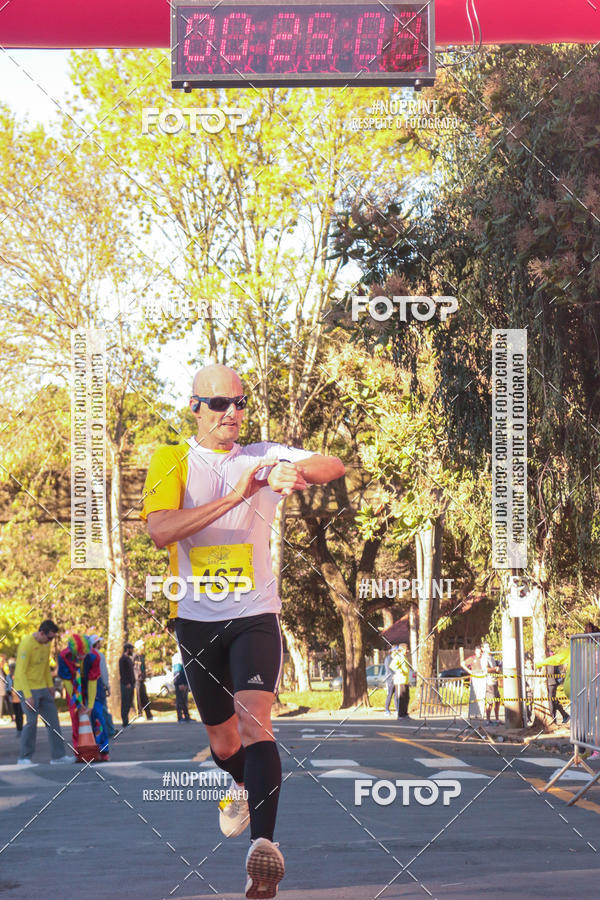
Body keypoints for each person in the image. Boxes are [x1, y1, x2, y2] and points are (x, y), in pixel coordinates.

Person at [142, 363, 345, 899]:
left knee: (257, 727)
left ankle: (264, 853)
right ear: (195, 408)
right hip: (195, 620)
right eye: (219, 404)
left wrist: (292, 471)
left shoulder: (264, 455)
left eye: (240, 403)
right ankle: (236, 783)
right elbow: (161, 530)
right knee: (223, 740)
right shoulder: (173, 460)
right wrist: (237, 495)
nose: (232, 413)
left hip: (255, 615)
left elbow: (333, 464)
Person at [13, 619, 74, 765]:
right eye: (49, 637)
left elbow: (46, 666)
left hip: (42, 687)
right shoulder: (27, 644)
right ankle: (24, 757)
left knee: (53, 720)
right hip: (26, 687)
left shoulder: (46, 645)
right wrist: (27, 696)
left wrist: (50, 685)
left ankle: (58, 757)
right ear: (41, 633)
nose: (50, 641)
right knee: (31, 722)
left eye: (53, 638)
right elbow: (20, 673)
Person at [58, 634, 110, 762]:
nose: (82, 657)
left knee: (98, 714)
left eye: (85, 654)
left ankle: (103, 751)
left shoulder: (94, 656)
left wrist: (90, 705)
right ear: (73, 652)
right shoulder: (64, 657)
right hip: (73, 684)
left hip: (93, 684)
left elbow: (93, 682)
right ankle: (79, 752)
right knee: (76, 716)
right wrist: (77, 703)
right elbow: (67, 681)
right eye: (79, 655)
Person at [89, 635, 116, 737]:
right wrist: (107, 685)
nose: (100, 644)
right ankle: (110, 730)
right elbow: (103, 671)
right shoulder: (99, 655)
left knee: (93, 708)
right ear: (96, 643)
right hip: (98, 684)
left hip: (89, 684)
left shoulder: (87, 655)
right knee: (103, 708)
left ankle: (95, 730)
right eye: (99, 642)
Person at [536, 648, 570, 724]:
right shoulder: (549, 661)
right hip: (550, 683)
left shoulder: (549, 662)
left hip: (551, 683)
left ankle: (554, 718)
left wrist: (558, 681)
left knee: (551, 701)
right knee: (553, 700)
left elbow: (558, 673)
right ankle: (563, 715)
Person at [463, 645, 487, 721]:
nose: (479, 653)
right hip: (474, 677)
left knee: (481, 696)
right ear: (475, 651)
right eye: (477, 651)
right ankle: (471, 714)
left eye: (480, 652)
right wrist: (469, 671)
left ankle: (480, 714)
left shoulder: (483, 659)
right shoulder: (472, 658)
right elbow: (463, 663)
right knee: (473, 696)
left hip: (482, 677)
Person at [482, 642, 502, 725]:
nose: (489, 648)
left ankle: (497, 719)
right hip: (489, 682)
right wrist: (495, 668)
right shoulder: (484, 658)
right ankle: (488, 720)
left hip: (495, 681)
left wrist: (498, 670)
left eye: (489, 646)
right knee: (490, 702)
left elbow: (495, 669)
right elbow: (486, 669)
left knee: (498, 701)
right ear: (483, 649)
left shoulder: (491, 657)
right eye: (486, 647)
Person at [390, 644, 410, 718]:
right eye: (406, 649)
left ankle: (405, 713)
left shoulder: (404, 657)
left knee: (406, 698)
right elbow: (392, 665)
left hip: (405, 681)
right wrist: (399, 670)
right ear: (402, 649)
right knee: (401, 698)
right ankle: (400, 715)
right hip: (399, 680)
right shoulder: (398, 657)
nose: (407, 651)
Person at [119, 643, 135, 727]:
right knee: (125, 703)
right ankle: (124, 722)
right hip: (126, 684)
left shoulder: (128, 658)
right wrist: (127, 683)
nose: (132, 650)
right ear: (128, 649)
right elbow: (123, 672)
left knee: (128, 703)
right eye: (131, 649)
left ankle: (127, 721)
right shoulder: (123, 659)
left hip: (131, 684)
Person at [5, 659, 23, 733]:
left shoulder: (18, 676)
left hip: (19, 695)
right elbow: (6, 685)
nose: (11, 670)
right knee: (16, 713)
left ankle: (21, 727)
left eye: (13, 668)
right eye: (10, 668)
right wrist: (7, 691)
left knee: (20, 713)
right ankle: (18, 728)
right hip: (12, 696)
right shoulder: (8, 677)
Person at [383, 646, 399, 716]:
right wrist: (393, 675)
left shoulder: (396, 658)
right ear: (392, 651)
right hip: (390, 679)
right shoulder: (388, 659)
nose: (397, 652)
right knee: (390, 694)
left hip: (396, 679)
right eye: (395, 651)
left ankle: (397, 709)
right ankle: (386, 709)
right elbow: (388, 669)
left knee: (396, 695)